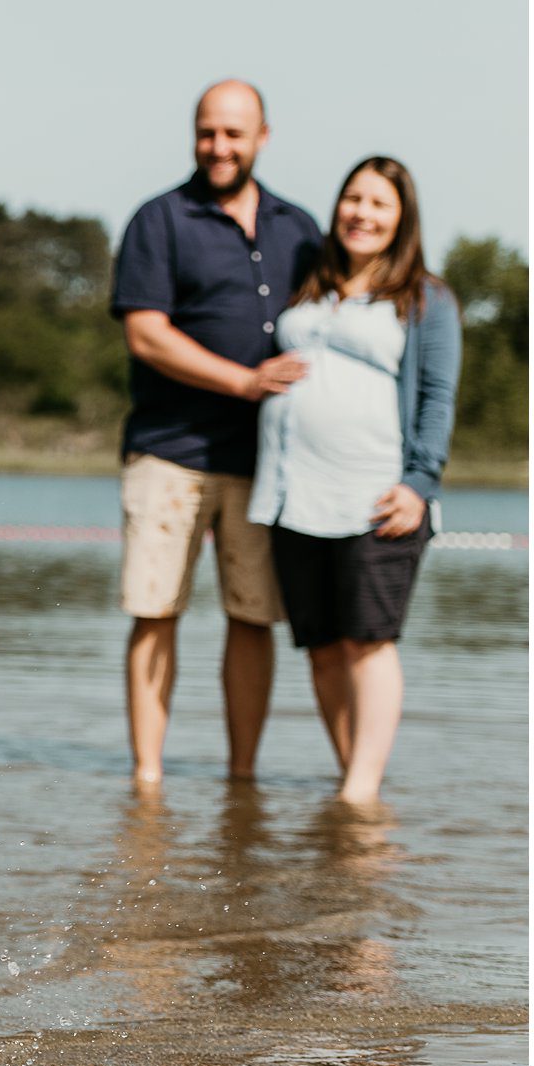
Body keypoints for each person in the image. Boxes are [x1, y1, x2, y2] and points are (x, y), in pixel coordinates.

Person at [110, 79, 324, 787]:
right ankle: (146, 781)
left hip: (266, 460)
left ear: (263, 137)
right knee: (155, 611)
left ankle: (242, 778)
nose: (219, 146)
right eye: (207, 132)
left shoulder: (300, 228)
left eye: (234, 133)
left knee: (254, 616)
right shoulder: (159, 219)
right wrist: (244, 381)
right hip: (168, 450)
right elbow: (146, 334)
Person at [248, 157, 461, 805]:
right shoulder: (307, 286)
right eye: (353, 199)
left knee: (370, 643)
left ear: (402, 219)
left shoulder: (426, 299)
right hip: (292, 497)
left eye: (378, 204)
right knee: (320, 648)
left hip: (376, 498)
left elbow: (437, 396)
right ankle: (353, 781)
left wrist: (419, 483)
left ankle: (360, 796)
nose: (361, 214)